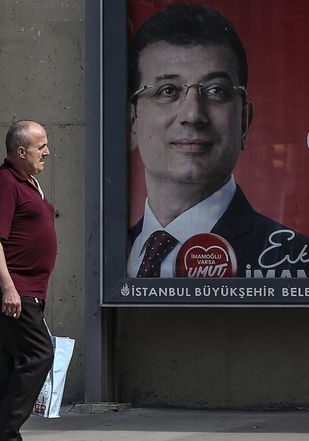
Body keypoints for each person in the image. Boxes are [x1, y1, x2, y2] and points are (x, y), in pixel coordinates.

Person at [127, 3, 309, 279]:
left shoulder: (296, 262)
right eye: (168, 90)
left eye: (216, 90)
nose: (192, 114)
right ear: (132, 122)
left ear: (244, 122)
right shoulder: (109, 255)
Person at [0, 120, 56, 441]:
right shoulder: (4, 185)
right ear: (21, 151)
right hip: (13, 290)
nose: (48, 152)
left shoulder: (27, 182)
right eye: (42, 147)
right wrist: (9, 288)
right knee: (39, 354)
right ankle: (7, 437)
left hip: (27, 288)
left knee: (10, 363)